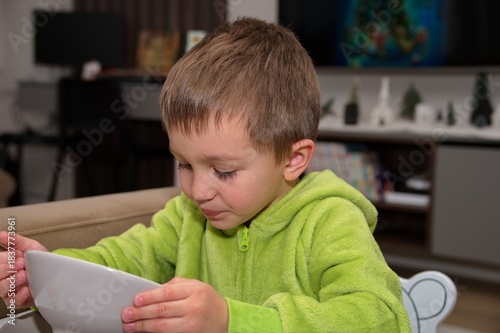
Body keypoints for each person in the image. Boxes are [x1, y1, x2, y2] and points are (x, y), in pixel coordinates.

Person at [0, 17, 410, 332]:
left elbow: (383, 318)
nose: (197, 190)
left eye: (224, 170)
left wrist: (231, 320)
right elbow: (120, 259)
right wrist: (49, 272)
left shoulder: (330, 221)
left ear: (293, 159)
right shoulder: (187, 217)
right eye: (184, 164)